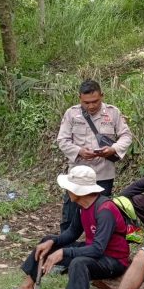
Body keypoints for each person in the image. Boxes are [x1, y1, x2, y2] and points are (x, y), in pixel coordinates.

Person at [0, 166, 130, 289]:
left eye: (69, 188)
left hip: (112, 260)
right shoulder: (82, 207)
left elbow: (98, 249)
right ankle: (27, 285)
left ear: (79, 191)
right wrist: (53, 242)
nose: (66, 190)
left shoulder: (105, 210)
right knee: (48, 241)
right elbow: (72, 232)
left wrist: (64, 252)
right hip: (94, 251)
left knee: (79, 263)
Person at [57, 79, 133, 232]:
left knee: (101, 214)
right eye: (86, 102)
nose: (91, 106)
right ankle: (64, 247)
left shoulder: (113, 113)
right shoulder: (72, 114)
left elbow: (126, 136)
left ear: (102, 96)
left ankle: (97, 247)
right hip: (78, 173)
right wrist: (79, 151)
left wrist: (113, 149)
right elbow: (62, 140)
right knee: (70, 214)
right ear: (80, 98)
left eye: (95, 101)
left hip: (103, 174)